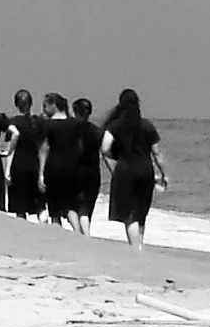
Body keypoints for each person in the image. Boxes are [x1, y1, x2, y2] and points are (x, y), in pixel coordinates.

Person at [100, 89, 167, 249]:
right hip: (146, 171)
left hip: (125, 171)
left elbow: (105, 148)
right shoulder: (147, 125)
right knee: (141, 212)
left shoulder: (115, 126)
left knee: (129, 215)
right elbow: (157, 153)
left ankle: (135, 248)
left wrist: (115, 160)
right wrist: (164, 174)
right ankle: (140, 244)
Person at [40, 94, 84, 231]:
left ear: (53, 106)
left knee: (54, 209)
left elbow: (44, 149)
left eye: (45, 106)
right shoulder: (74, 123)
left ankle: (58, 236)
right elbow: (80, 147)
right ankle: (78, 233)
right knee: (71, 206)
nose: (44, 110)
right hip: (71, 168)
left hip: (53, 168)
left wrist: (41, 173)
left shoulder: (48, 125)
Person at [6, 89, 45, 222]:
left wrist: (7, 171)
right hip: (35, 166)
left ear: (16, 104)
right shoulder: (39, 122)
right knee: (40, 206)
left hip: (18, 168)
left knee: (20, 208)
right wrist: (42, 173)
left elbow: (11, 150)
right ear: (31, 103)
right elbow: (43, 149)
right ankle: (44, 229)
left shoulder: (13, 122)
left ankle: (25, 232)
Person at [71, 98, 103, 236]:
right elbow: (106, 153)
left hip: (74, 172)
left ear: (74, 111)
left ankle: (81, 234)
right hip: (93, 172)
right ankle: (86, 234)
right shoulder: (97, 131)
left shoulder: (69, 129)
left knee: (72, 206)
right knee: (86, 209)